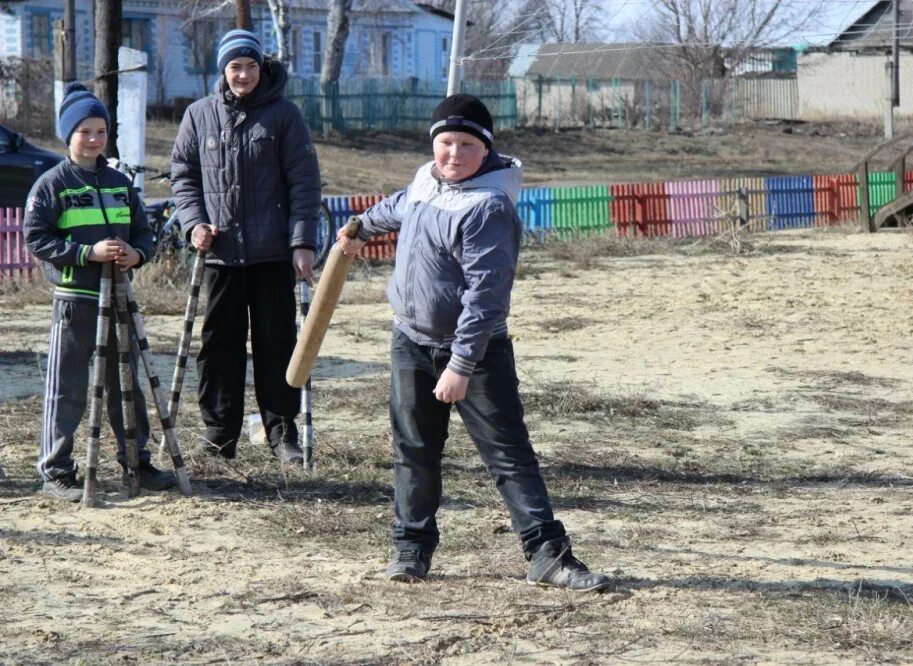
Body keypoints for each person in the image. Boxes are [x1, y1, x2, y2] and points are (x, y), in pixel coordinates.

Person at [337, 94, 611, 592]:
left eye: (467, 144)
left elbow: (486, 298)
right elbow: (398, 206)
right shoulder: (427, 181)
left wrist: (460, 365)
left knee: (507, 456)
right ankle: (410, 551)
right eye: (446, 142)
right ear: (433, 145)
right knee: (414, 451)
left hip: (477, 353)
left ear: (485, 150)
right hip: (411, 342)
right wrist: (359, 228)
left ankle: (547, 556)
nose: (454, 154)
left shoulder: (488, 207)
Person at [170, 29, 321, 464]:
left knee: (277, 342)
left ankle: (281, 431)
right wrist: (193, 223)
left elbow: (304, 182)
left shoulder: (285, 116)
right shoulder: (198, 116)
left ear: (262, 67)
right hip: (219, 252)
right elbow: (183, 176)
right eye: (235, 66)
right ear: (223, 69)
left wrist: (302, 243)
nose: (243, 74)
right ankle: (220, 434)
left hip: (273, 252)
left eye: (251, 65)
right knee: (219, 343)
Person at [24, 82, 177, 501]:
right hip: (76, 301)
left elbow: (145, 233)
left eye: (101, 131)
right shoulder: (52, 184)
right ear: (68, 135)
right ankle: (56, 470)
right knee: (67, 386)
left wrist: (137, 254)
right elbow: (36, 237)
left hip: (121, 299)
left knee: (125, 384)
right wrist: (85, 253)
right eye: (85, 131)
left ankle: (137, 461)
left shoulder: (119, 183)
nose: (94, 139)